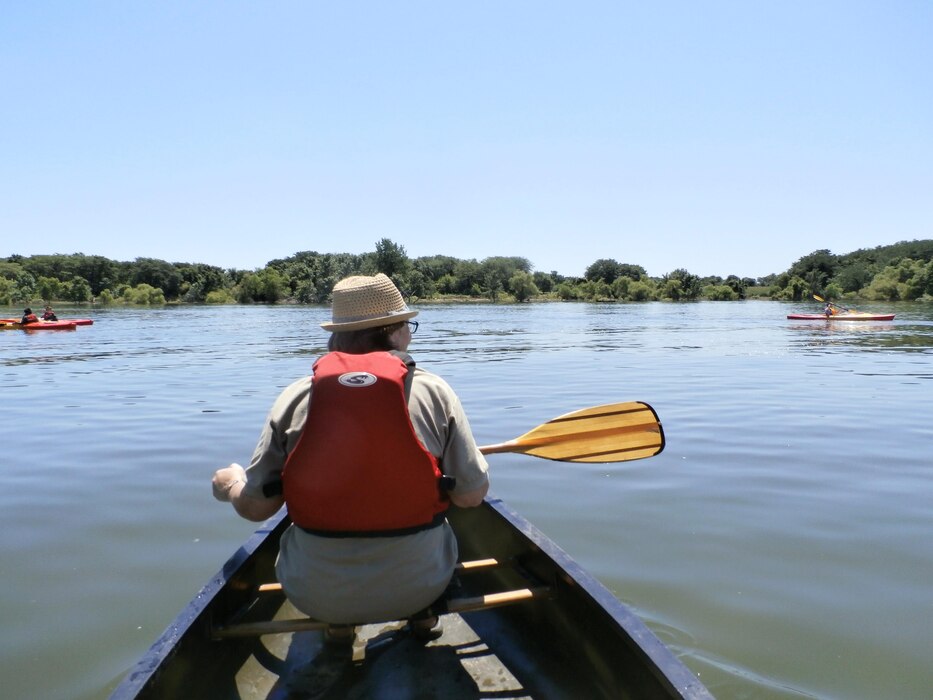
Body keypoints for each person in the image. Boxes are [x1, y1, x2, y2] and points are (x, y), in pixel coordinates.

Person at [212, 273, 489, 644]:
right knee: (446, 518)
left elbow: (257, 509)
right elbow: (470, 496)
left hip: (314, 593)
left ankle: (338, 625)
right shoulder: (435, 392)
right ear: (394, 331)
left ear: (338, 334)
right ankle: (423, 617)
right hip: (420, 587)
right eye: (408, 325)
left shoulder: (294, 396)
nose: (409, 333)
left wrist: (230, 484)